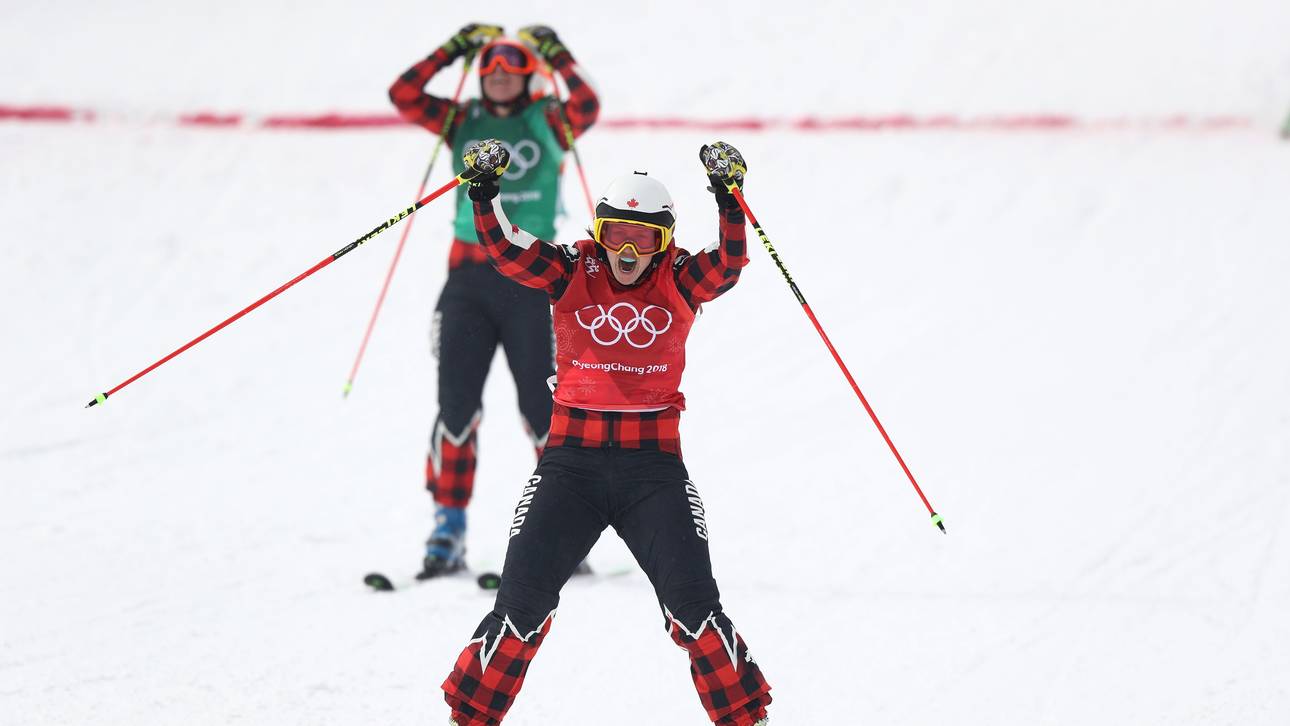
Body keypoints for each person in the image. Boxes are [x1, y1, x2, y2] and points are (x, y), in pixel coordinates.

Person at [439, 139, 772, 725]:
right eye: (617, 233)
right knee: (519, 610)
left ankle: (747, 718)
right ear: (599, 231)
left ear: (664, 241)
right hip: (570, 468)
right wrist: (485, 195)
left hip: (654, 473)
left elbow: (729, 263)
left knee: (695, 611)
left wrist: (729, 197)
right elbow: (508, 251)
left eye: (644, 237)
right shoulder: (573, 268)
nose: (628, 250)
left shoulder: (679, 278)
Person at [387, 24, 600, 578]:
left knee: (542, 409)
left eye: (512, 70)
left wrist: (556, 52)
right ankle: (448, 529)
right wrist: (453, 49)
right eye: (490, 70)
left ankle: (564, 531)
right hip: (469, 279)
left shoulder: (549, 119)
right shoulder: (463, 120)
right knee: (456, 407)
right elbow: (403, 95)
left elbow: (588, 104)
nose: (500, 78)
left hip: (532, 280)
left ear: (530, 77)